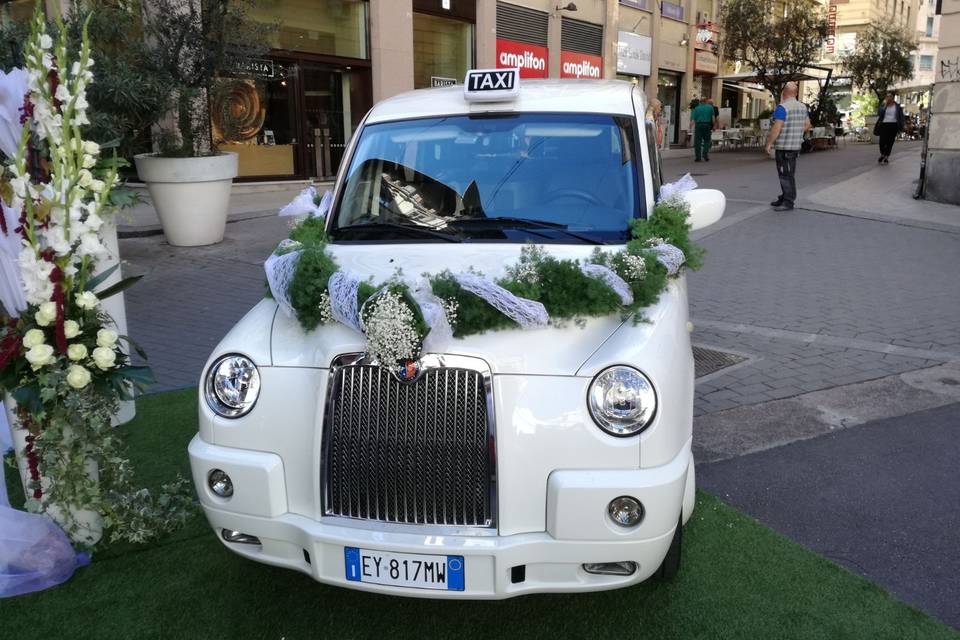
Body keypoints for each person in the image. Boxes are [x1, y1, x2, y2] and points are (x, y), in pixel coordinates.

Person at [765, 82, 811, 211]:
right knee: (789, 173)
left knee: (784, 174)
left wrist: (769, 143)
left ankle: (788, 201)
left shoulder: (782, 107)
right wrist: (796, 132)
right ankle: (785, 196)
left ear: (784, 92)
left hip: (783, 146)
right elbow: (808, 125)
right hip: (795, 146)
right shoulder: (802, 107)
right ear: (796, 93)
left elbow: (777, 127)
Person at [876, 92, 905, 164]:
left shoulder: (897, 106)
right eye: (887, 96)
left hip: (894, 125)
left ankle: (886, 157)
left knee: (890, 142)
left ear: (893, 97)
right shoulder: (883, 105)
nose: (889, 97)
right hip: (884, 125)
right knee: (882, 142)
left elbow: (901, 117)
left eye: (890, 96)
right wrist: (884, 104)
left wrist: (902, 125)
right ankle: (883, 154)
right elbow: (879, 113)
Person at [690, 97, 718, 162]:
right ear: (706, 101)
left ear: (700, 102)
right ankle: (705, 153)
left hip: (698, 125)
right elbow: (713, 118)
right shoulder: (710, 108)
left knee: (698, 142)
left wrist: (690, 127)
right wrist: (714, 126)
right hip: (707, 125)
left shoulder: (696, 108)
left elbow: (693, 120)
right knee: (707, 140)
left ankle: (698, 157)